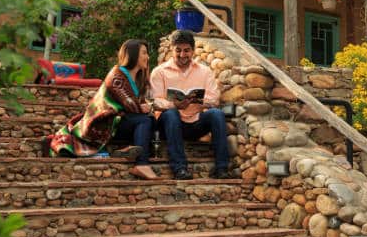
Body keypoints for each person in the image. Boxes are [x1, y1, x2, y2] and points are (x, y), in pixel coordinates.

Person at [48, 39, 158, 180]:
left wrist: (147, 107)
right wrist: (143, 107)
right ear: (132, 54)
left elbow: (139, 105)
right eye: (144, 53)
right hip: (105, 121)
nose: (147, 57)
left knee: (150, 120)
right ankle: (142, 164)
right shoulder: (117, 74)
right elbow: (130, 104)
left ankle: (126, 150)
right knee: (144, 120)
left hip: (121, 122)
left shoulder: (139, 79)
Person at [150, 30, 230, 180]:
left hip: (195, 122)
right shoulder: (159, 72)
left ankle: (222, 168)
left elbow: (214, 99)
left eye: (186, 50)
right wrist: (175, 105)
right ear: (172, 50)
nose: (182, 55)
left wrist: (199, 102)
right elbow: (155, 101)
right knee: (171, 113)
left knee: (217, 114)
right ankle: (180, 168)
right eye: (178, 50)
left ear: (192, 51)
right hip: (169, 124)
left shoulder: (205, 71)